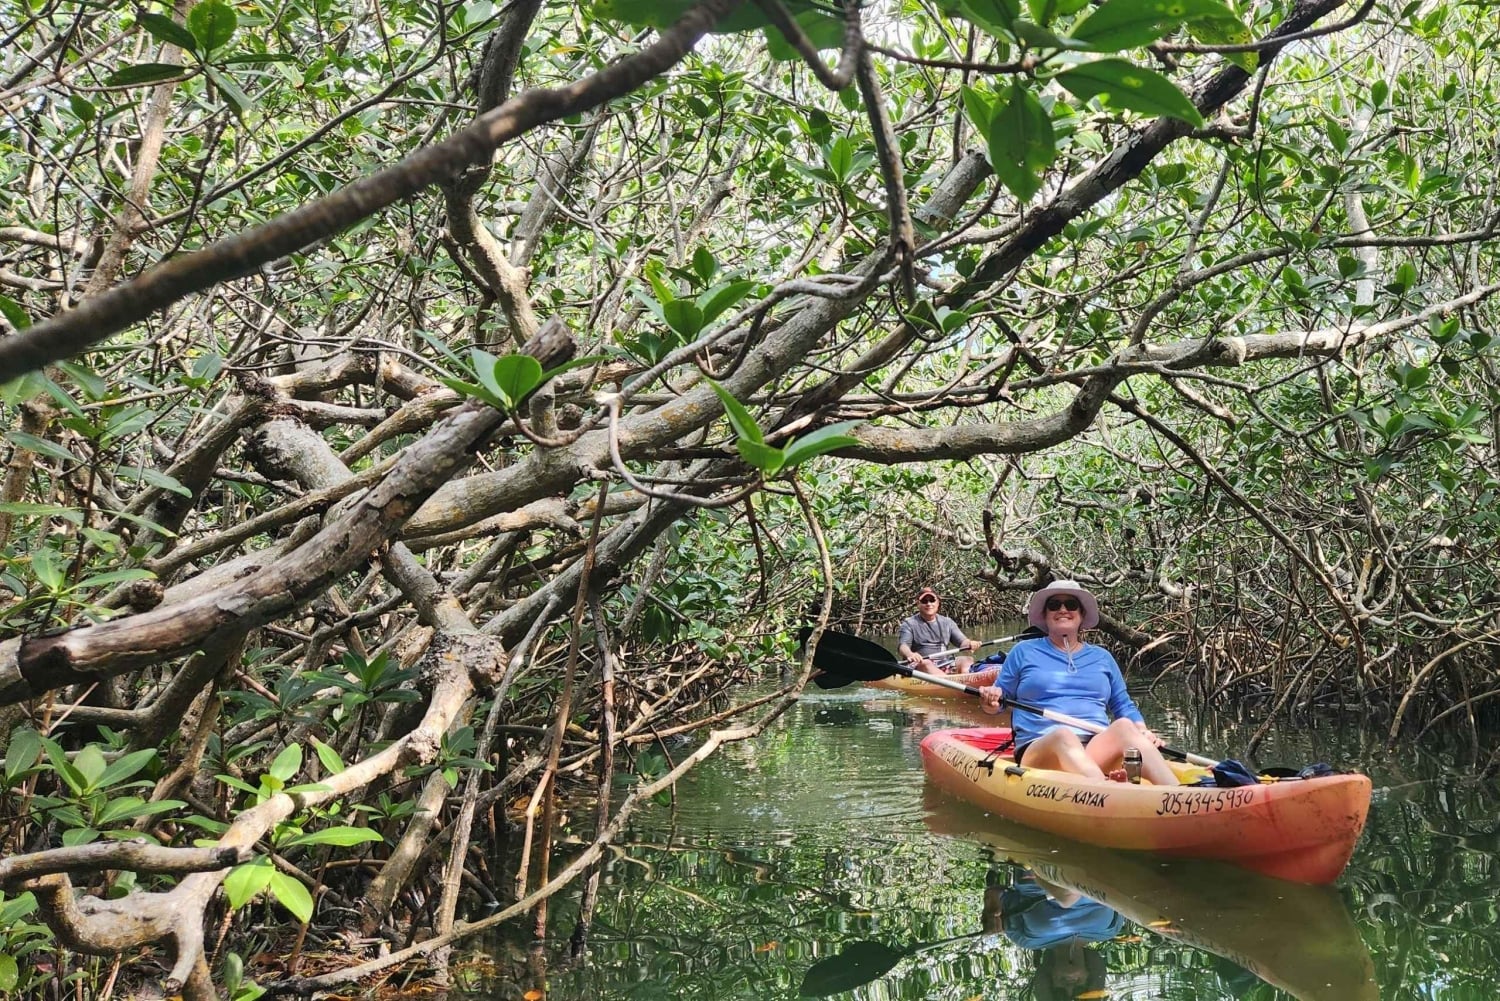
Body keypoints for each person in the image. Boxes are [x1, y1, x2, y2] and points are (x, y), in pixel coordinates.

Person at [978, 580, 1179, 786]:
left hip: (1093, 748)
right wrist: (990, 701)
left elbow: (1123, 706)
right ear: (1046, 615)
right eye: (1054, 605)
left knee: (1125, 726)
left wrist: (1142, 731)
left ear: (1081, 614)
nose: (1063, 609)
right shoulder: (1023, 651)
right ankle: (1105, 788)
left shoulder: (1102, 657)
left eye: (1071, 605)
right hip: (1040, 750)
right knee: (1063, 735)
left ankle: (1178, 793)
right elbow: (998, 704)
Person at [897, 587, 981, 673]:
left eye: (932, 600)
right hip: (920, 664)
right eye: (924, 601)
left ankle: (965, 681)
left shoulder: (947, 622)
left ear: (938, 603)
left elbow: (962, 642)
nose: (929, 604)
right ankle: (949, 683)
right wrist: (910, 654)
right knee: (926, 664)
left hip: (944, 662)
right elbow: (903, 646)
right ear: (918, 604)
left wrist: (970, 644)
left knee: (967, 660)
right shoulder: (909, 624)